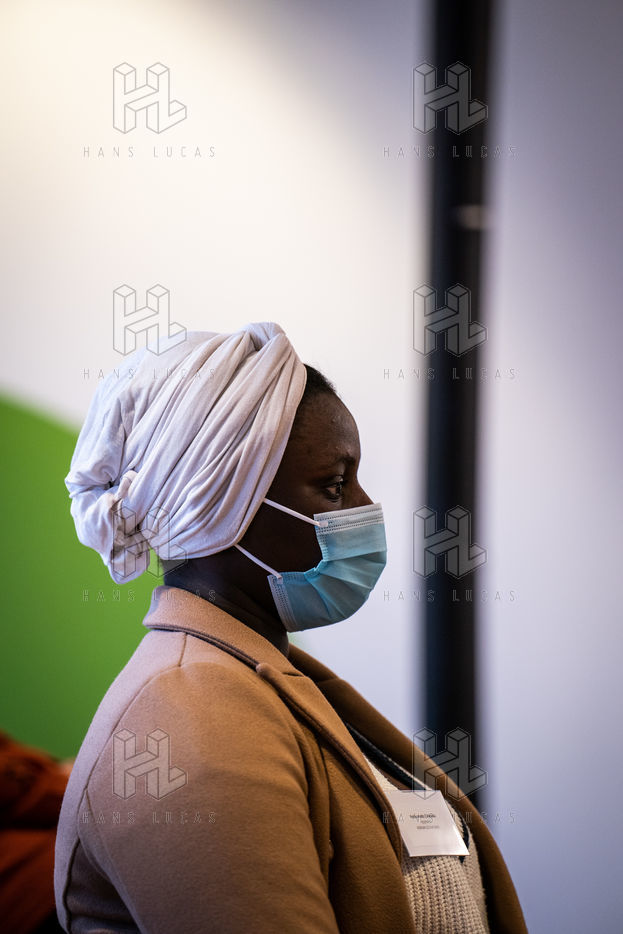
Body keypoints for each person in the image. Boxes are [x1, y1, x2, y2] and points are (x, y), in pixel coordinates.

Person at [54, 322, 527, 933]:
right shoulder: (193, 712)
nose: (364, 506)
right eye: (334, 485)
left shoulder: (259, 679)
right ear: (217, 510)